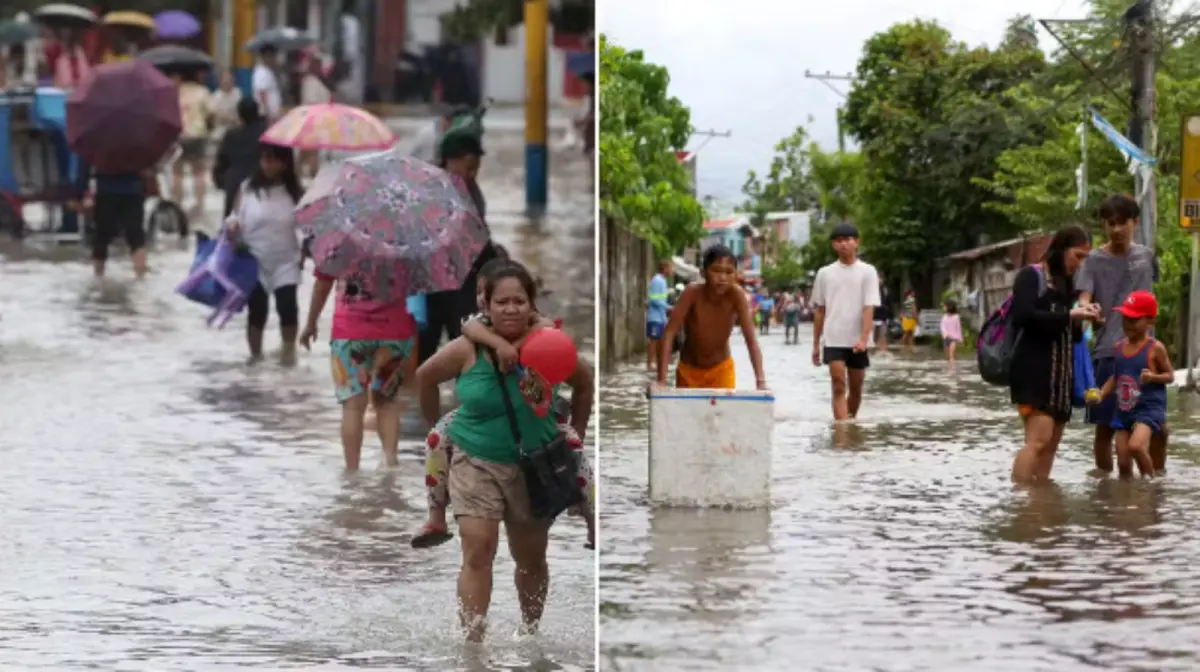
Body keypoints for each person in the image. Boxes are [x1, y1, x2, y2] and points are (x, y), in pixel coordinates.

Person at [414, 261, 595, 642]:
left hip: (534, 467)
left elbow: (584, 382)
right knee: (477, 551)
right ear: (487, 304)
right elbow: (424, 378)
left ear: (532, 304)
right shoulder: (468, 347)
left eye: (518, 301)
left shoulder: (550, 344)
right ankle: (473, 647)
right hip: (474, 461)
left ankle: (530, 637)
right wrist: (437, 426)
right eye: (502, 302)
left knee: (530, 560)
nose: (510, 309)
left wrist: (575, 433)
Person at [299, 260, 418, 472]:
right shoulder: (403, 243)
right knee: (387, 401)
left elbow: (322, 285)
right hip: (394, 331)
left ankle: (352, 473)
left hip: (349, 333)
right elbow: (417, 281)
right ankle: (390, 466)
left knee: (352, 405)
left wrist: (311, 323)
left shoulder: (339, 244)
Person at [1076, 194, 1166, 474]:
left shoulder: (1146, 256)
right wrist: (1087, 309)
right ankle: (1105, 488)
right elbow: (1084, 297)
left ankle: (1156, 483)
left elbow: (1151, 298)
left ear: (1134, 223)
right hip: (1109, 352)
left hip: (1146, 353)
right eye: (1110, 223)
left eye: (1121, 223)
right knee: (1105, 427)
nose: (1115, 229)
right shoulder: (1092, 260)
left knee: (1158, 425)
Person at [1009, 225, 1098, 483]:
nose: (1079, 264)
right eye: (1077, 256)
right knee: (1038, 440)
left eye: (1085, 258)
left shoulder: (1066, 285)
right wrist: (1069, 315)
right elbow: (1023, 316)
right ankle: (1020, 499)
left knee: (1050, 446)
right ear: (1061, 249)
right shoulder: (1030, 276)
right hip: (1033, 373)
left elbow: (1072, 335)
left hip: (1061, 379)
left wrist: (1083, 319)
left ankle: (1039, 499)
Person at [417, 132, 496, 365]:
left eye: (476, 168)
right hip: (430, 284)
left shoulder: (471, 191)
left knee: (467, 348)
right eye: (468, 167)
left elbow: (479, 236)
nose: (472, 174)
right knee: (424, 352)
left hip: (463, 282)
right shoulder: (429, 190)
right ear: (449, 161)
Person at [225, 144, 305, 364]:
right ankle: (255, 359)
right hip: (254, 260)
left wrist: (307, 250)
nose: (268, 165)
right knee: (257, 310)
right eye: (264, 159)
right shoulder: (248, 189)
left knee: (288, 307)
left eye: (274, 160)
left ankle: (288, 356)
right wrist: (232, 227)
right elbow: (235, 216)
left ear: (285, 163)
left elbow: (306, 227)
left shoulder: (295, 193)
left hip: (286, 260)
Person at [656, 244, 767, 390]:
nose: (723, 278)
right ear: (703, 273)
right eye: (716, 270)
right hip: (689, 371)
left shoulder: (737, 296)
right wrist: (661, 380)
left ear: (735, 275)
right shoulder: (692, 293)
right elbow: (669, 333)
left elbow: (751, 340)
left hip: (721, 370)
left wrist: (761, 382)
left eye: (729, 272)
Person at [1086, 290, 1171, 478]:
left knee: (1136, 447)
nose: (1128, 325)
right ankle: (1127, 492)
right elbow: (1116, 377)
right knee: (1123, 460)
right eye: (1125, 319)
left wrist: (1153, 377)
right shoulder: (1119, 347)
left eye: (1134, 320)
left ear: (1150, 322)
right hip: (1124, 410)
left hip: (1148, 410)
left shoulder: (1155, 348)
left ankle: (1150, 484)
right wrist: (1101, 394)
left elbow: (1170, 376)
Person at [811, 222, 881, 421]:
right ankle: (841, 431)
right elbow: (820, 310)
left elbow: (869, 307)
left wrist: (864, 339)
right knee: (838, 385)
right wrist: (816, 344)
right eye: (839, 240)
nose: (843, 244)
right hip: (833, 337)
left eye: (848, 240)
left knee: (856, 389)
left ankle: (849, 424)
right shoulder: (824, 273)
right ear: (833, 245)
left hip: (858, 339)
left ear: (856, 242)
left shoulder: (868, 271)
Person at [71, 161, 150, 280]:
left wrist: (79, 194)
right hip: (133, 190)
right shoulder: (137, 147)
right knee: (136, 237)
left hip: (105, 191)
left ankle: (98, 278)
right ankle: (141, 279)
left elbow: (84, 165)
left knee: (101, 238)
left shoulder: (97, 148)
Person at [213, 98, 270, 219]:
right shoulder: (266, 133)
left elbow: (221, 161)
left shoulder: (231, 135)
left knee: (231, 220)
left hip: (234, 183)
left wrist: (222, 180)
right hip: (260, 182)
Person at [174, 71, 212, 214]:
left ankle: (178, 203)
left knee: (177, 172)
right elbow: (211, 113)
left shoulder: (175, 91)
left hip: (179, 135)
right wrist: (208, 127)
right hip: (197, 134)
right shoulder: (202, 91)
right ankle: (199, 204)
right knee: (199, 172)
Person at [646, 259, 672, 371]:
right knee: (654, 340)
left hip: (661, 317)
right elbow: (654, 299)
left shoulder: (662, 281)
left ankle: (657, 362)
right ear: (665, 269)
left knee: (660, 340)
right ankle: (650, 363)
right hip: (655, 317)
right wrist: (668, 307)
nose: (671, 270)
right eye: (670, 268)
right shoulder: (657, 280)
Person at [208, 69, 243, 141]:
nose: (227, 82)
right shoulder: (215, 97)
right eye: (225, 81)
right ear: (220, 82)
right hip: (221, 130)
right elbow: (213, 114)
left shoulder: (238, 93)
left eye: (230, 80)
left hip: (236, 128)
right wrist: (227, 117)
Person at [251, 45, 282, 121]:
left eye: (273, 56)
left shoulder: (268, 70)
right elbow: (262, 94)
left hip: (272, 115)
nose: (272, 59)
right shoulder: (261, 72)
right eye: (269, 56)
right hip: (266, 116)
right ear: (263, 57)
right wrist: (267, 115)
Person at [940, 299, 962, 369]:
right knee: (947, 357)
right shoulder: (944, 317)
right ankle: (950, 367)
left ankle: (952, 370)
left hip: (954, 339)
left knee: (951, 355)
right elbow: (942, 327)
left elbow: (958, 328)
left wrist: (960, 338)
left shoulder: (956, 317)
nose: (943, 308)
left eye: (944, 306)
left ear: (949, 307)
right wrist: (946, 334)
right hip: (946, 339)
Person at [874, 276, 892, 353]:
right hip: (873, 316)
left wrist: (890, 315)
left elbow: (889, 303)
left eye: (880, 279)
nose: (879, 280)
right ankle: (872, 351)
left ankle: (883, 351)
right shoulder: (871, 290)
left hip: (883, 316)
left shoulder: (885, 290)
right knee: (873, 337)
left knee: (883, 335)